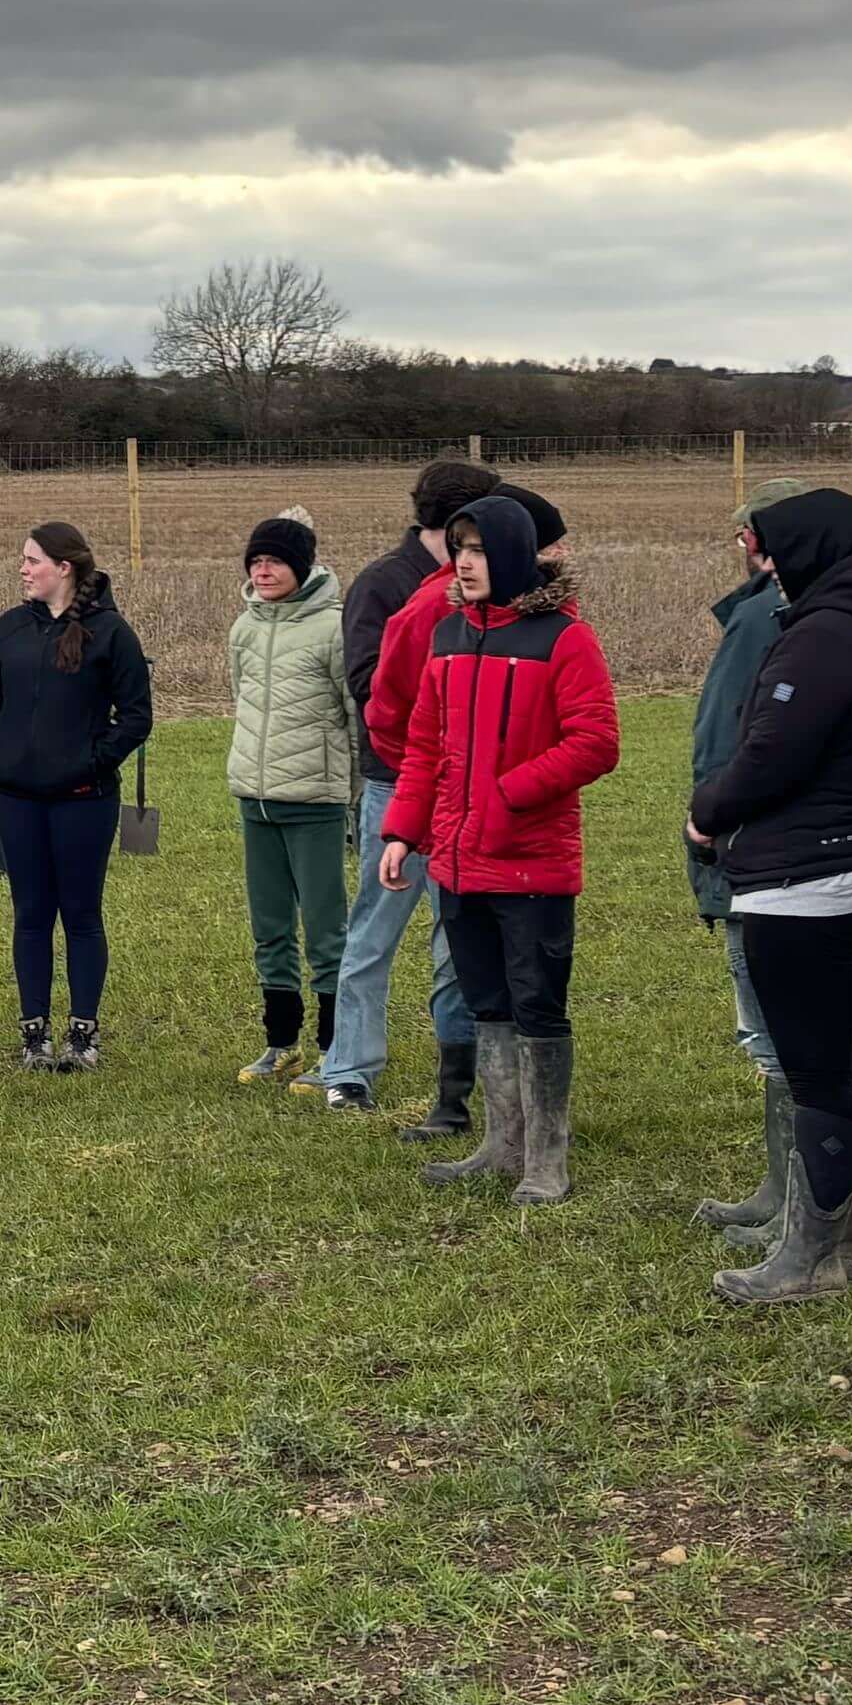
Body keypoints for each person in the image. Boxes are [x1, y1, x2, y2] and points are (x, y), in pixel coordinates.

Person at [687, 487, 852, 1308]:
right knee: (842, 1067)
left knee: (817, 1074)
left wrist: (707, 811)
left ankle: (811, 1257)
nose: (771, 571)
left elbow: (769, 756)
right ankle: (839, 1245)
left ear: (811, 550)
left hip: (803, 885)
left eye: (779, 554)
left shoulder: (821, 638)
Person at [371, 495, 619, 1194]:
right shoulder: (449, 636)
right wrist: (403, 832)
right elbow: (424, 748)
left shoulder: (565, 639)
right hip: (455, 859)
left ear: (513, 553)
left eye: (479, 550)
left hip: (532, 864)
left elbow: (596, 742)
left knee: (537, 1003)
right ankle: (501, 1145)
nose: (466, 562)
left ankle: (547, 1160)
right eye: (460, 549)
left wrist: (509, 793)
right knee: (487, 1003)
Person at [319, 462, 490, 1121]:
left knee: (460, 935)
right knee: (374, 929)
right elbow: (367, 687)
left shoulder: (488, 584)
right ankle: (350, 1069)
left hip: (468, 789)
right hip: (398, 786)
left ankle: (462, 1076)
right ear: (452, 524)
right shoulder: (383, 584)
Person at [0, 520, 154, 1071]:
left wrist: (90, 762)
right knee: (30, 912)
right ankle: (34, 1032)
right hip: (19, 798)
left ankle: (82, 1032)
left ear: (64, 568)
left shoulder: (112, 633)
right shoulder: (8, 629)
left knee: (80, 913)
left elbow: (136, 717)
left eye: (32, 561)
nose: (23, 570)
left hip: (84, 799)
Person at [223, 513, 358, 1084]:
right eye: (256, 561)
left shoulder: (335, 628)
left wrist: (353, 797)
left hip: (316, 802)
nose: (264, 570)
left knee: (326, 930)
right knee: (270, 927)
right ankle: (282, 1043)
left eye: (275, 561)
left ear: (301, 567)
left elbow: (355, 715)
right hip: (257, 800)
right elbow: (242, 697)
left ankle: (335, 1047)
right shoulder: (244, 629)